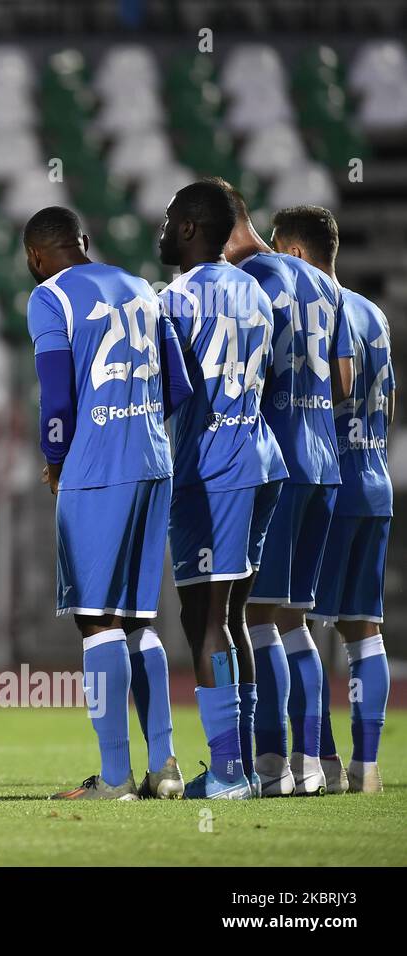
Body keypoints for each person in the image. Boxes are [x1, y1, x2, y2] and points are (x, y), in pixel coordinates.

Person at [24, 205, 190, 801]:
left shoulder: (49, 297)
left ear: (35, 257)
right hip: (154, 463)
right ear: (85, 241)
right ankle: (165, 766)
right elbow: (177, 385)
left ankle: (116, 777)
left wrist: (56, 458)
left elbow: (56, 395)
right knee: (141, 619)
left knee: (98, 622)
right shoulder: (144, 288)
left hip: (97, 470)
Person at [208, 177, 354, 796]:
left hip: (280, 463)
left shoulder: (256, 280)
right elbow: (345, 383)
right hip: (325, 464)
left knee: (255, 617)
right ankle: (311, 764)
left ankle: (268, 765)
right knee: (296, 622)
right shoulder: (328, 285)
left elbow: (247, 367)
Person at [157, 181, 288, 799]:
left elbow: (169, 390)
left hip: (213, 467)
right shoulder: (257, 293)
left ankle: (230, 771)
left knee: (205, 616)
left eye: (166, 221)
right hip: (261, 457)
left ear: (188, 228)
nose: (160, 231)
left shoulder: (176, 299)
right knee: (229, 614)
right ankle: (252, 766)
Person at [276, 206, 394, 795]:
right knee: (364, 631)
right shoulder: (375, 314)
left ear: (296, 254)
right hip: (377, 482)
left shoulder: (319, 309)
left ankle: (316, 759)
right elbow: (388, 407)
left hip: (330, 483)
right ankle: (366, 768)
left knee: (293, 622)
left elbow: (336, 387)